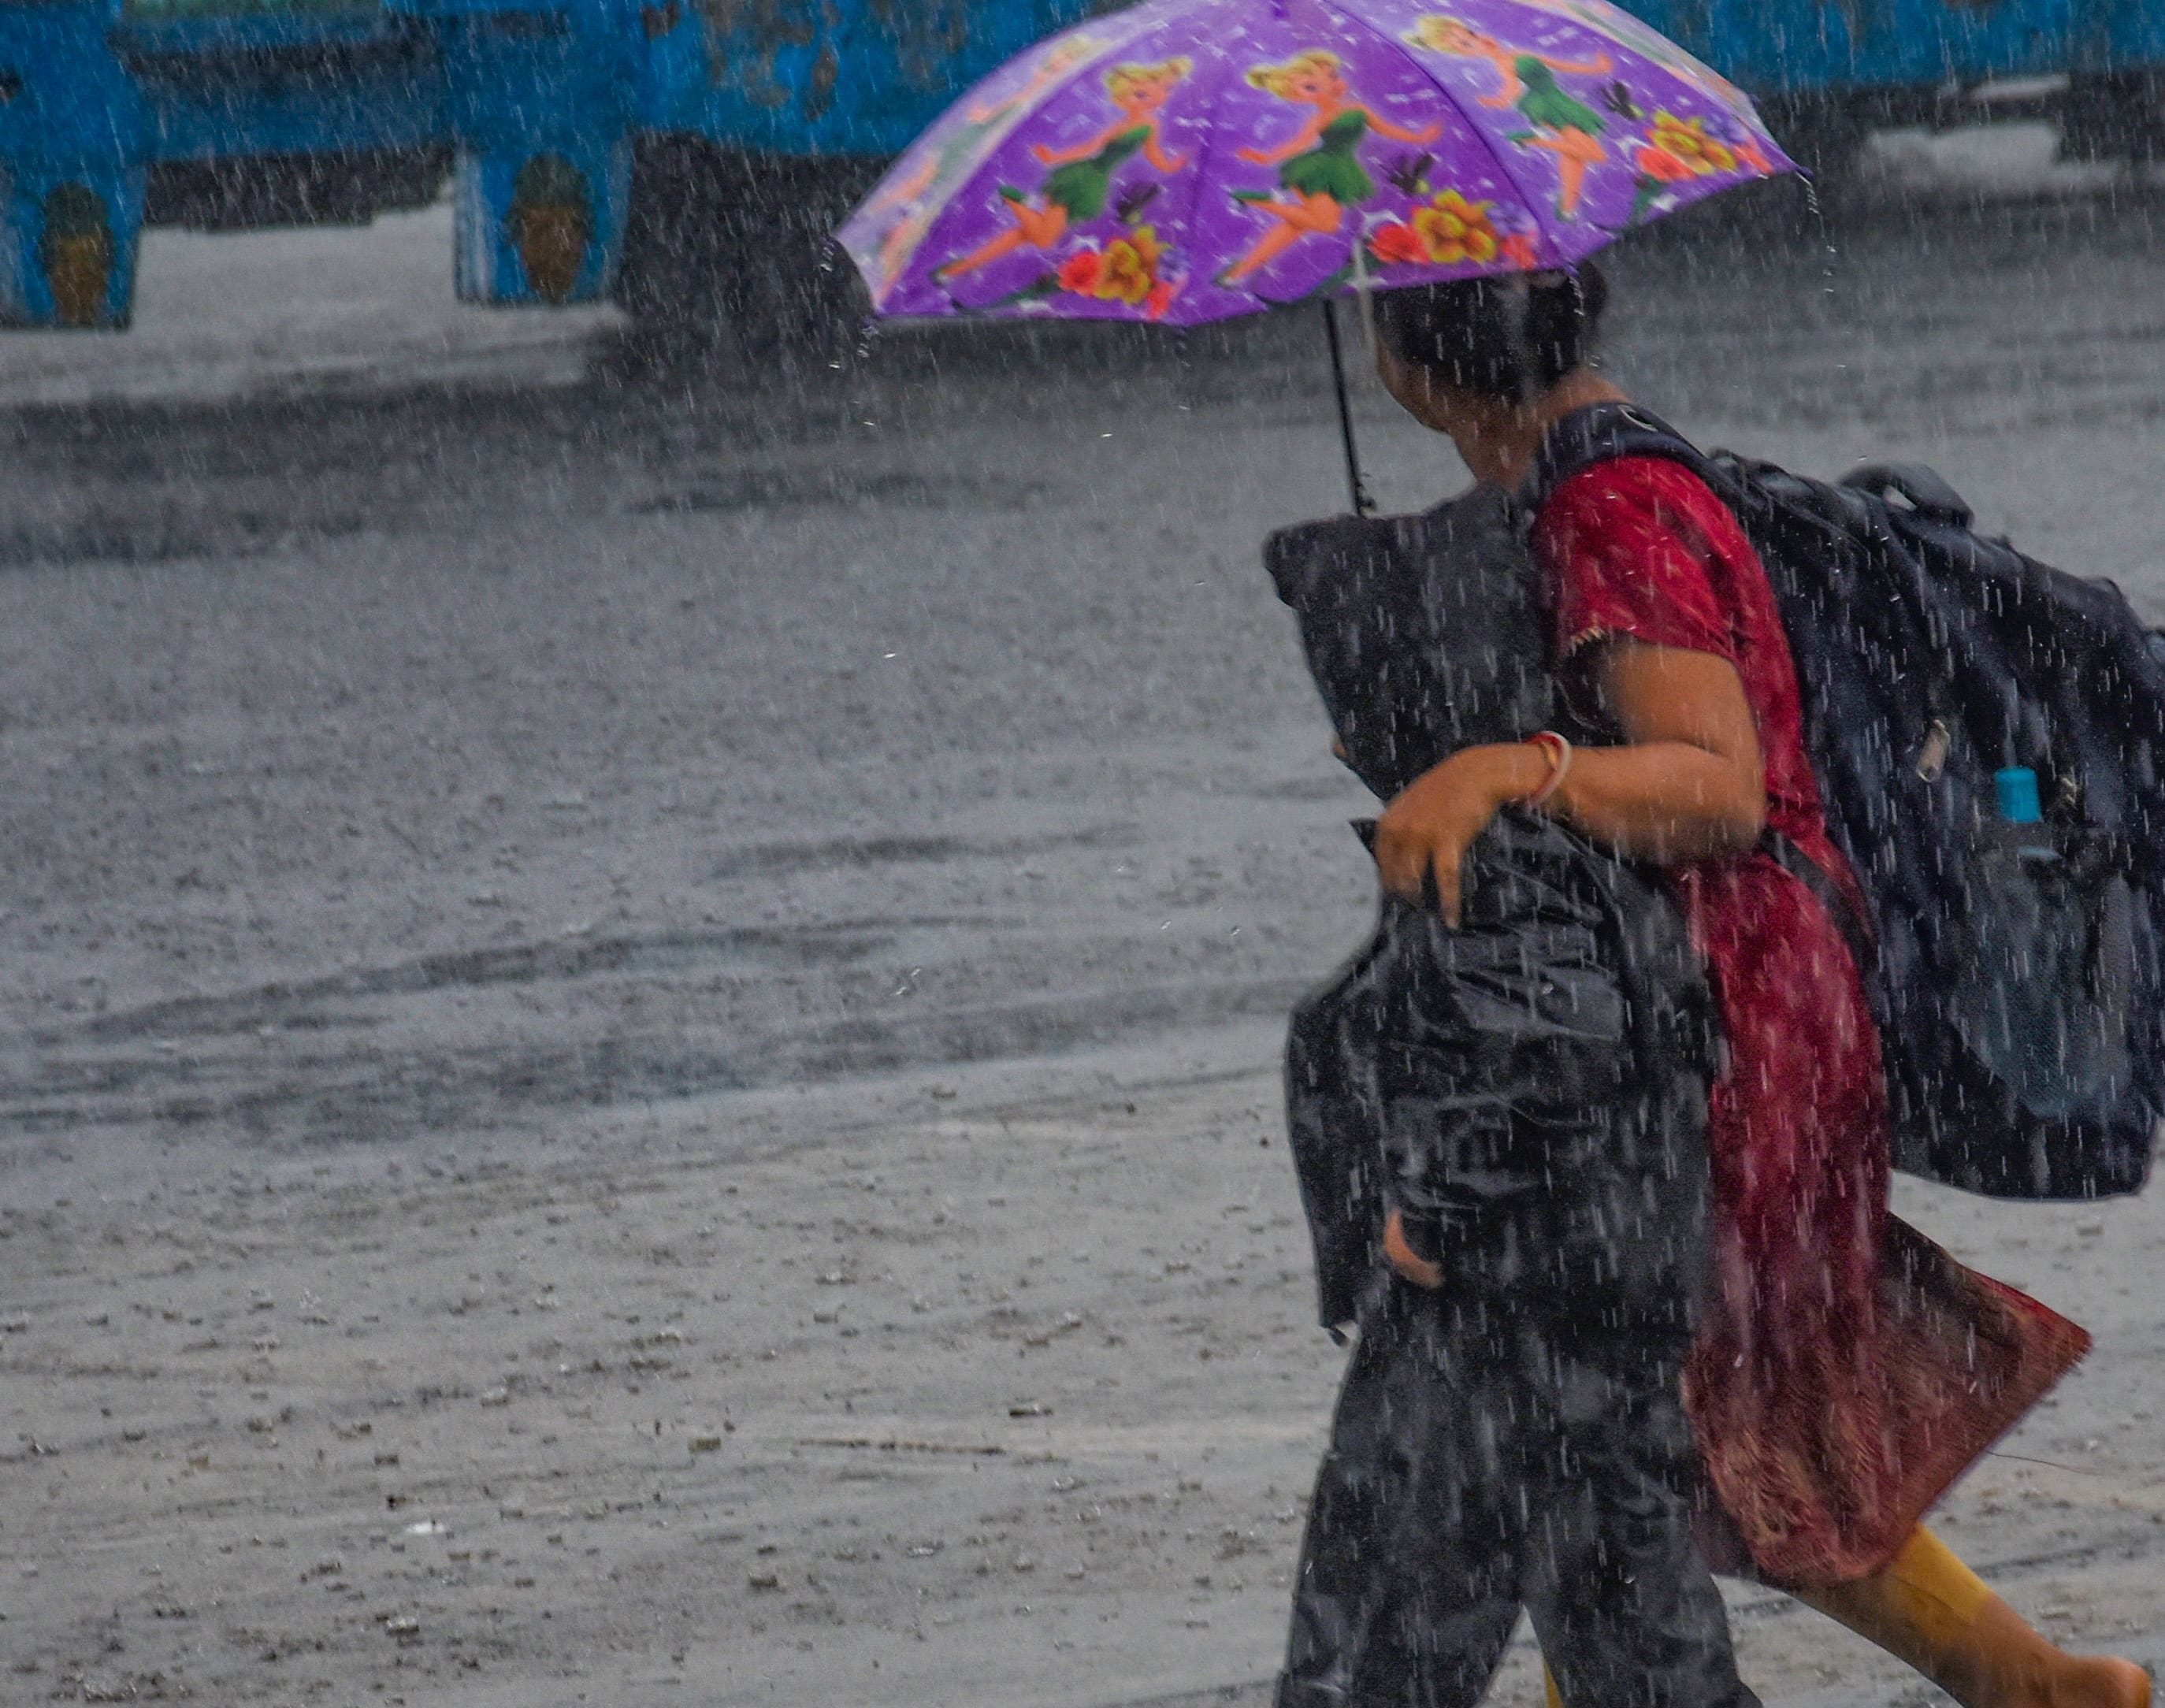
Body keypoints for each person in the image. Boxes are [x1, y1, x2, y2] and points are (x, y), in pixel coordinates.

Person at [1357, 264, 2150, 1708]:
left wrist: (1503, 771)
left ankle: (2019, 1685)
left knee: (1604, 1437)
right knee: (1694, 1429)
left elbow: (1710, 784)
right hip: (1745, 1010)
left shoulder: (1610, 507)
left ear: (1415, 358)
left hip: (1718, 1027)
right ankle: (2030, 1685)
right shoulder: (1600, 470)